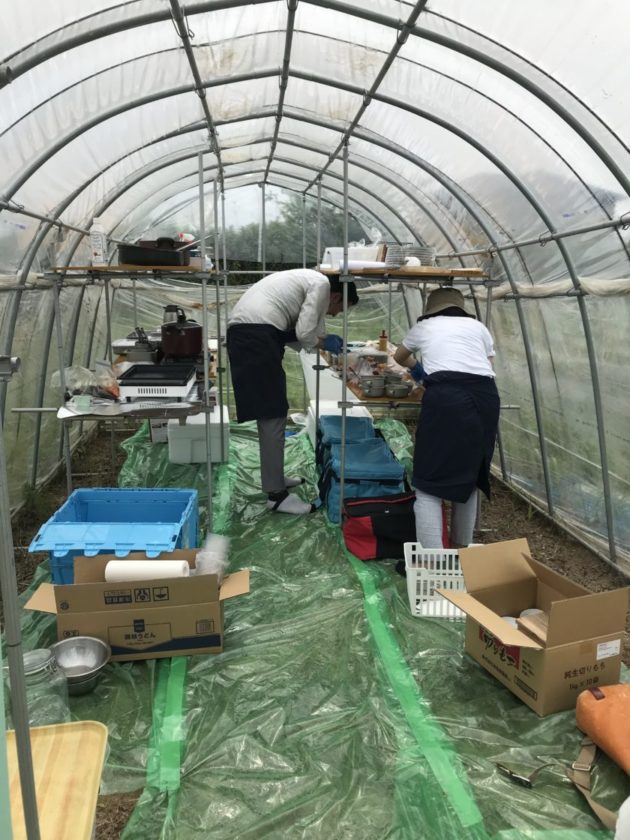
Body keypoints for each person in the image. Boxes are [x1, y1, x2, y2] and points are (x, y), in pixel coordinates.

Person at [227, 268, 359, 515]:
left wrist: (320, 342)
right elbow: (304, 333)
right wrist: (325, 342)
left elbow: (297, 333)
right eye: (339, 309)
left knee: (274, 412)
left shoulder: (308, 281)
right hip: (255, 336)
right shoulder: (321, 284)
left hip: (254, 333)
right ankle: (276, 496)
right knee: (272, 414)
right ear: (336, 296)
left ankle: (274, 478)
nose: (334, 314)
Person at [393, 286, 500, 548]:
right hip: (485, 398)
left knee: (428, 484)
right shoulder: (479, 328)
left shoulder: (426, 326)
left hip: (447, 397)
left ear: (431, 310)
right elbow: (486, 366)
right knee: (469, 475)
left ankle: (433, 561)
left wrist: (419, 369)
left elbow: (399, 356)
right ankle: (461, 549)